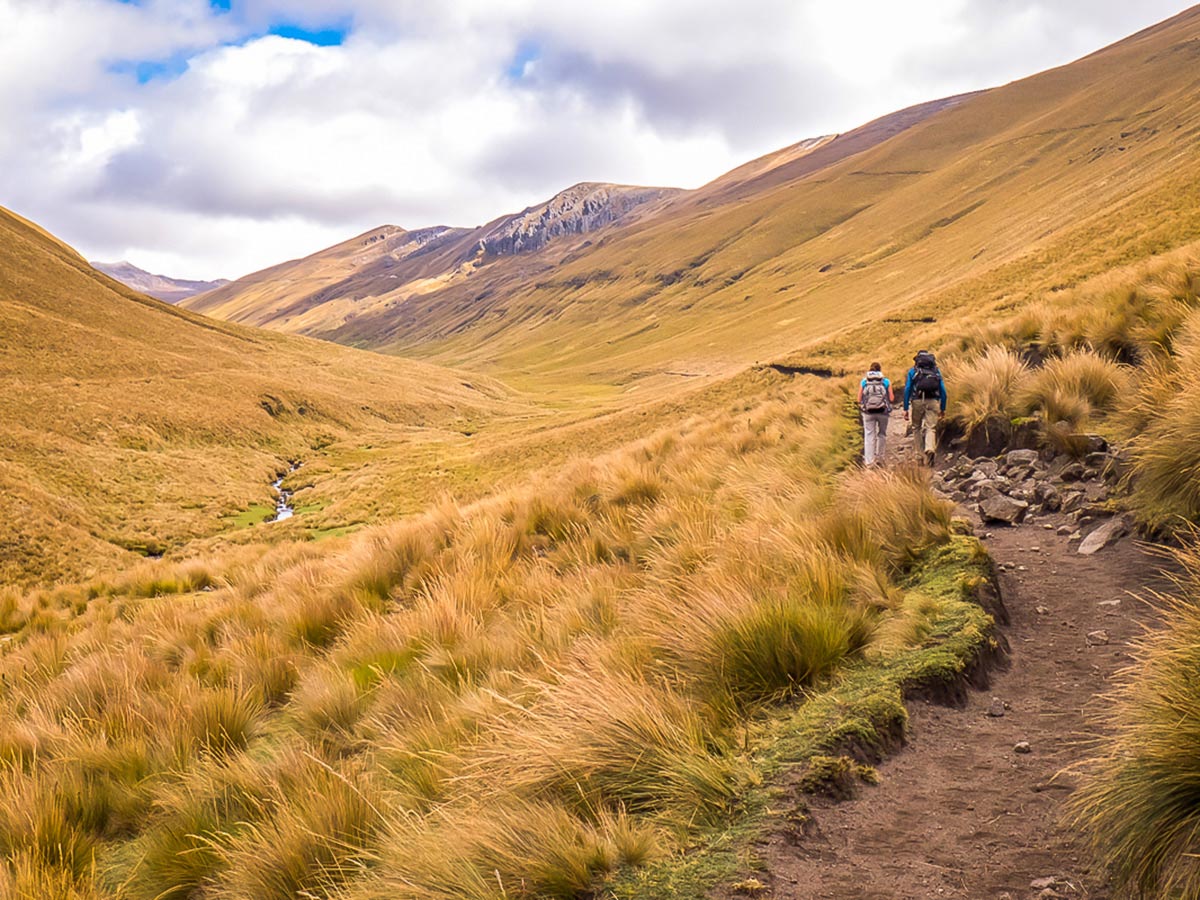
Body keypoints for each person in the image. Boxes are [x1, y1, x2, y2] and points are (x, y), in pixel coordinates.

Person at [903, 349, 946, 466]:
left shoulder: (913, 371)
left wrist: (906, 407)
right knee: (931, 427)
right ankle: (930, 448)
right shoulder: (936, 371)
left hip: (917, 401)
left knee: (916, 427)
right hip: (933, 401)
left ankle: (919, 455)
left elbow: (907, 389)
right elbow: (943, 391)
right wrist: (942, 407)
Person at [858, 362, 893, 467]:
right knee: (882, 434)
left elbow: (859, 399)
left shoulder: (864, 381)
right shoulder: (886, 381)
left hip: (868, 412)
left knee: (869, 435)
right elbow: (891, 398)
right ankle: (880, 459)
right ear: (880, 371)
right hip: (883, 412)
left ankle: (869, 462)